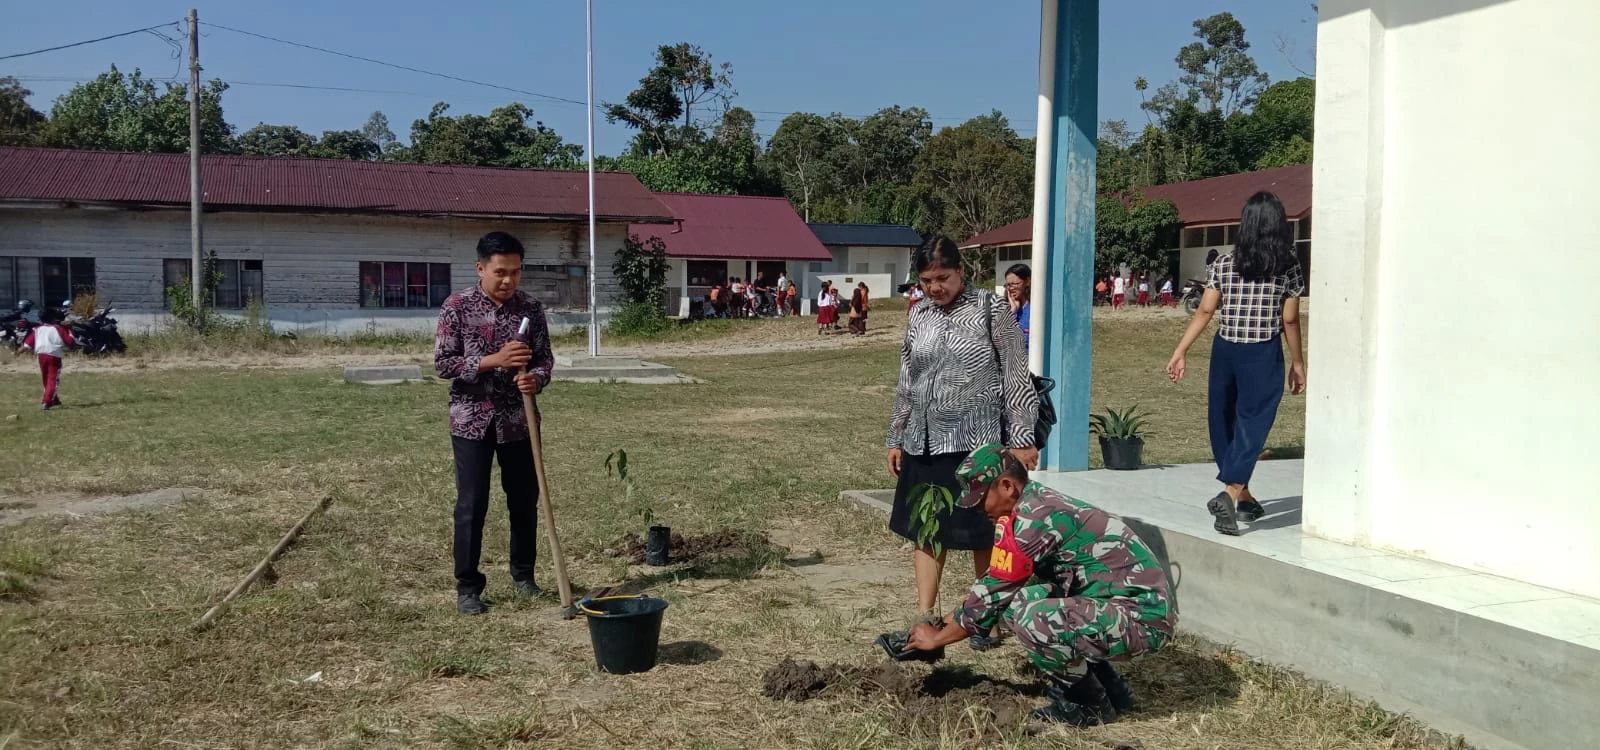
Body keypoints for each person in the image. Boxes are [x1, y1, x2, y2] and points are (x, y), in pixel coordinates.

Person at [903, 443, 1174, 726]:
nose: (978, 509)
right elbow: (994, 589)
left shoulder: (1035, 520)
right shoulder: (1032, 505)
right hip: (1115, 607)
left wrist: (936, 639)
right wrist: (943, 624)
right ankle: (1112, 689)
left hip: (1143, 620)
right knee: (1016, 604)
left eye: (982, 498)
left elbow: (992, 597)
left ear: (1007, 486)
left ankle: (1088, 704)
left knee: (1035, 618)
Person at [887, 235, 1040, 650]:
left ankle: (986, 618)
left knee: (981, 532)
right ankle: (926, 611)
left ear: (961, 271)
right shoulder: (918, 314)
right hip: (923, 441)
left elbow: (1015, 375)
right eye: (926, 280)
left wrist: (1023, 437)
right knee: (926, 527)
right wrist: (896, 435)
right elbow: (907, 379)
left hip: (976, 443)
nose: (935, 287)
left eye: (942, 277)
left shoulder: (991, 310)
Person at [1166, 191, 1307, 536]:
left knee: (1223, 420)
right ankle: (1230, 492)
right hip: (1262, 351)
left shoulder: (1224, 262)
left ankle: (1244, 500)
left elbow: (1205, 309)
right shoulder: (1287, 266)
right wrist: (1298, 362)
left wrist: (1180, 350)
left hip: (1226, 349)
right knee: (1253, 423)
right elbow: (1289, 320)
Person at [434, 231, 554, 615]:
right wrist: (492, 360)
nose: (508, 281)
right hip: (471, 420)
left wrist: (535, 378)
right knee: (472, 503)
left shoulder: (531, 310)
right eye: (501, 272)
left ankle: (523, 576)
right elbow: (443, 364)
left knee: (523, 501)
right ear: (481, 268)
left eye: (516, 273)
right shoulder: (457, 307)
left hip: (519, 421)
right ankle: (468, 586)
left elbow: (545, 360)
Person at [18, 307, 75, 410]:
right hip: (54, 356)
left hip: (41, 356)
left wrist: (16, 353)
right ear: (53, 318)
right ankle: (47, 401)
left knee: (46, 378)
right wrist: (69, 329)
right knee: (53, 379)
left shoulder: (37, 329)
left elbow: (26, 345)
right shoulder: (59, 328)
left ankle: (54, 399)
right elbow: (70, 341)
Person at [1004, 264, 1032, 356]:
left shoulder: (1035, 311)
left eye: (1014, 284)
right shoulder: (1006, 310)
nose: (1011, 288)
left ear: (1027, 281)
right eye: (1008, 285)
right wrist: (1012, 310)